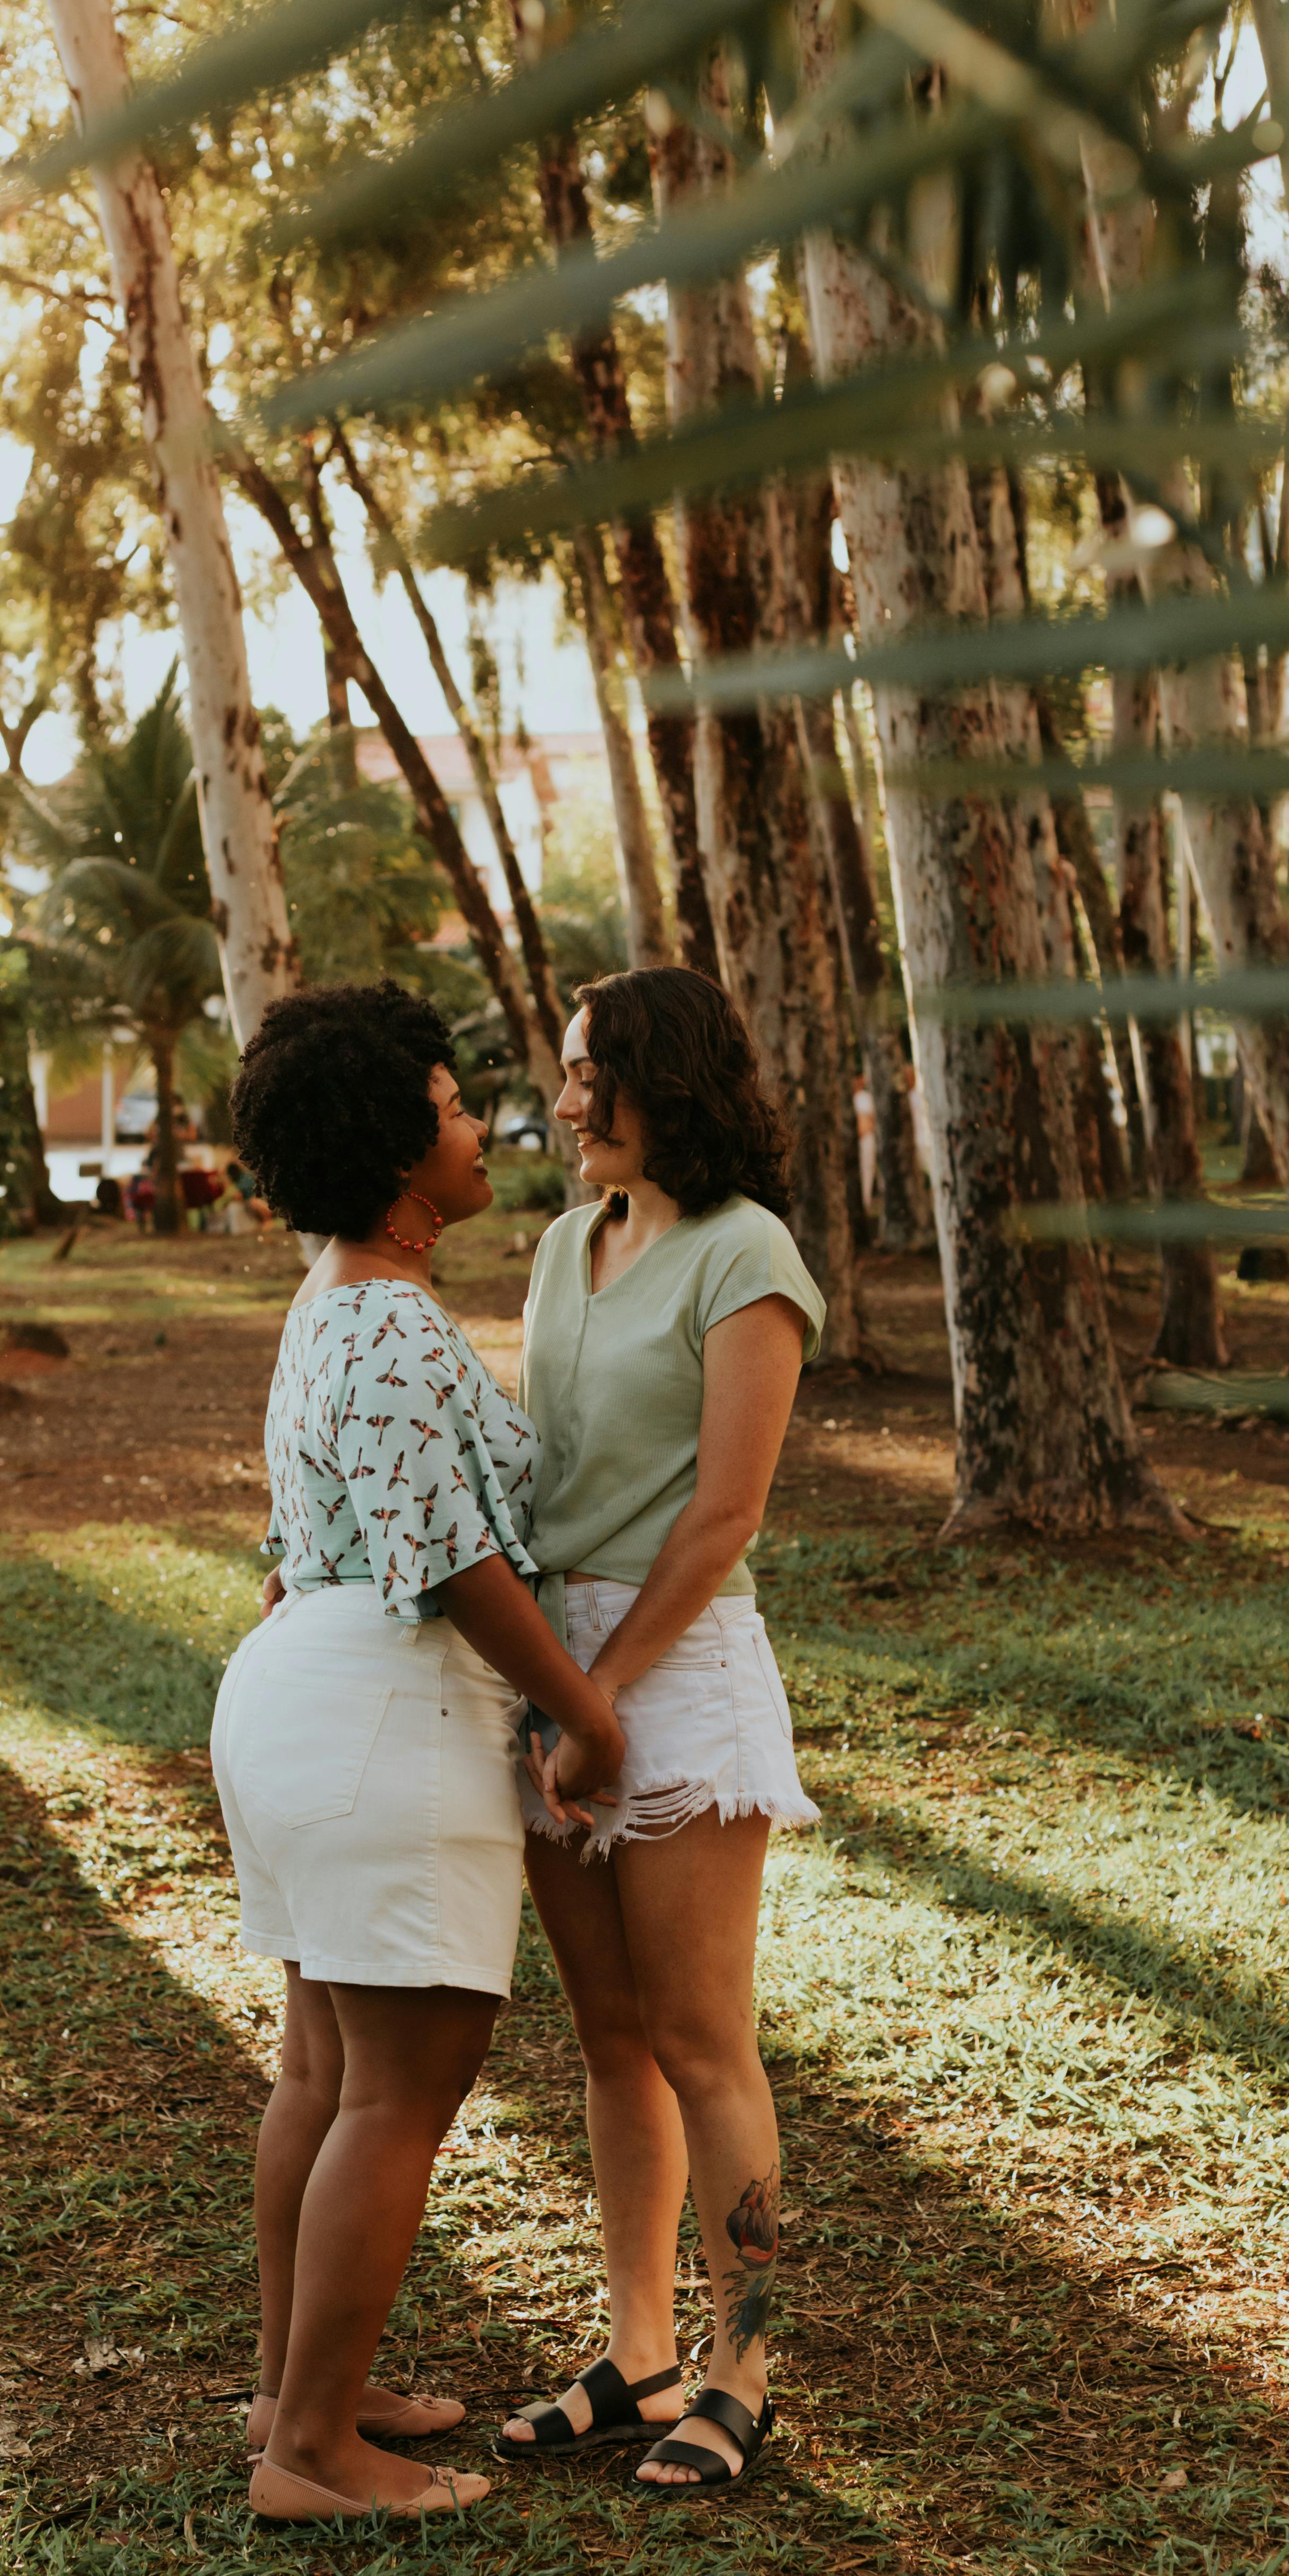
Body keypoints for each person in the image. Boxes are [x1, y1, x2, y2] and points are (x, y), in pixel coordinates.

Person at [211, 981, 627, 2524]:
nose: (480, 1128)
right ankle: (314, 2452)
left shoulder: (332, 1301)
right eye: (456, 1110)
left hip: (300, 1687)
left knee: (325, 2064)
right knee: (404, 2083)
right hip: (379, 1700)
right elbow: (449, 1559)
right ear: (399, 1162)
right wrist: (584, 1713)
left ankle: (297, 2385)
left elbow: (287, 1546)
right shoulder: (384, 1323)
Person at [499, 969, 823, 2497]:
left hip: (674, 1672)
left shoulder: (748, 1256)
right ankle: (635, 2356)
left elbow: (724, 1517)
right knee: (608, 2042)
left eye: (589, 1080)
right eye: (562, 1080)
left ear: (662, 1081)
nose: (564, 1107)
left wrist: (607, 1695)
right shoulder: (570, 1243)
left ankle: (740, 2371)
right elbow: (539, 1464)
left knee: (699, 2039)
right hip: (558, 1663)